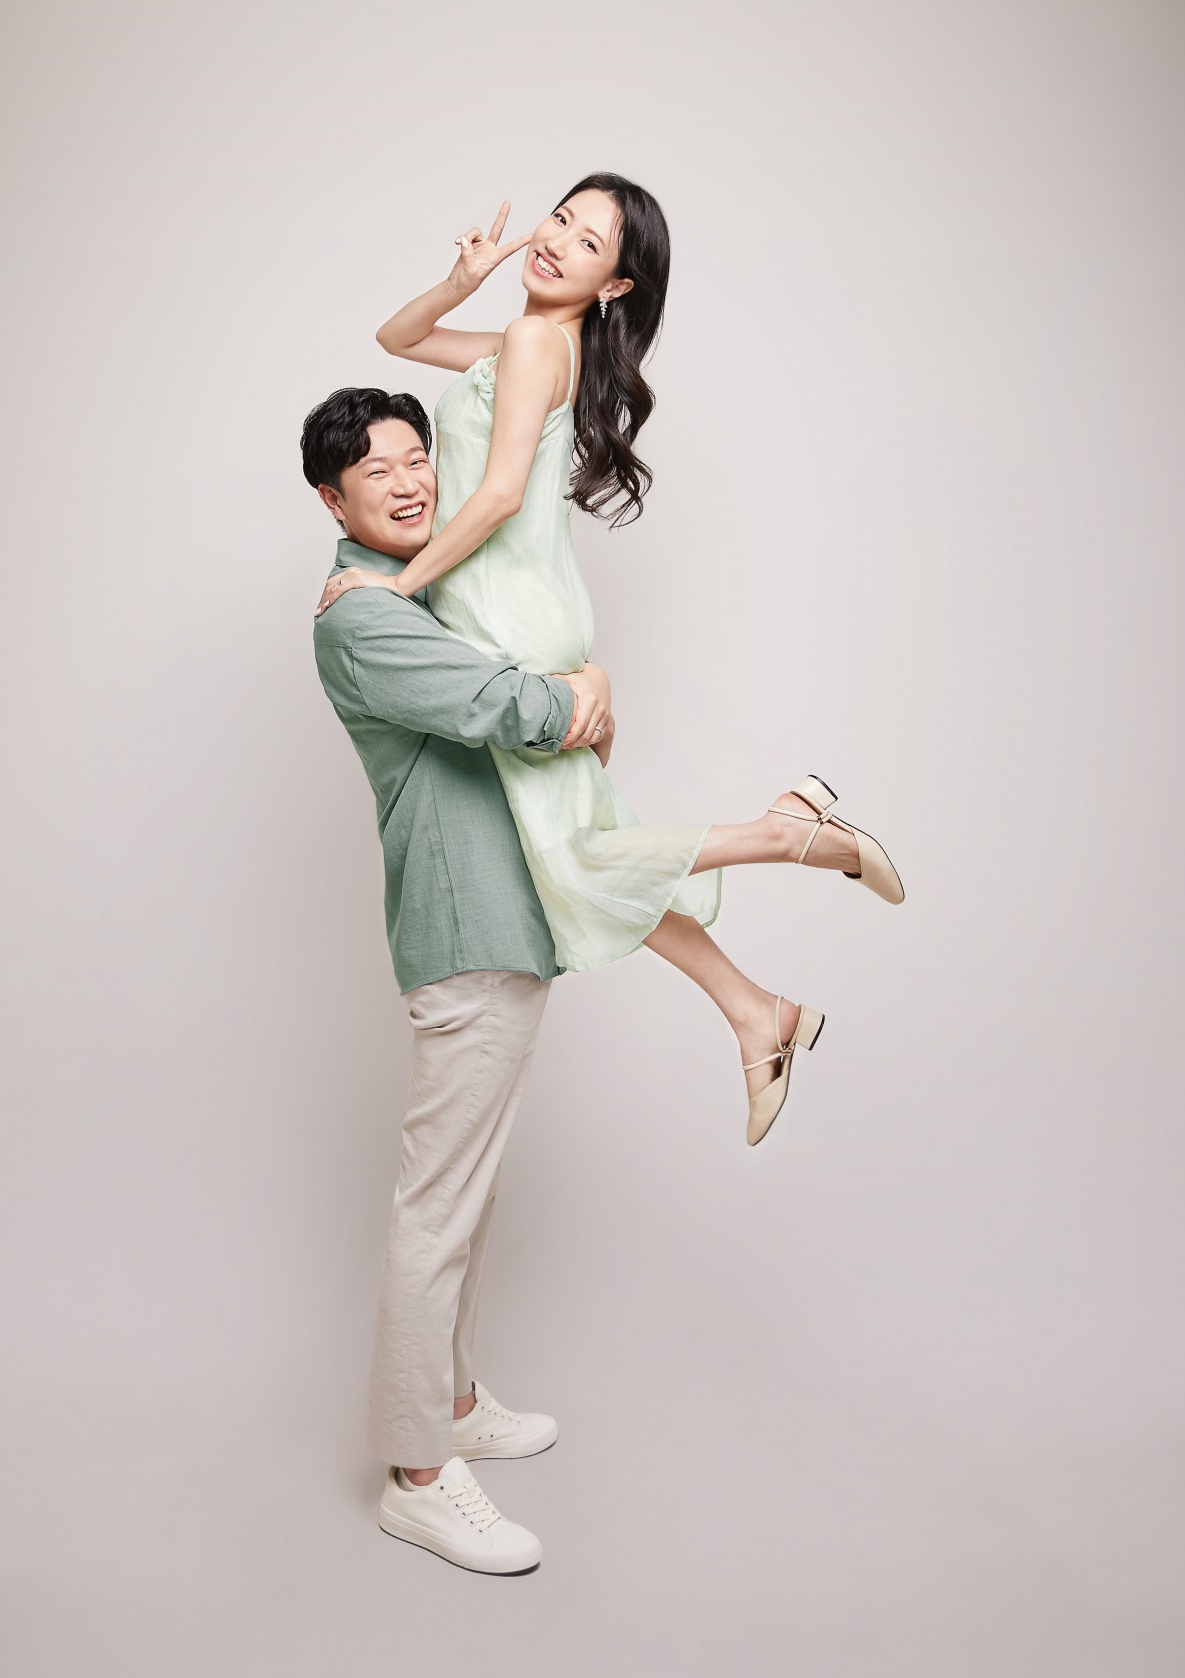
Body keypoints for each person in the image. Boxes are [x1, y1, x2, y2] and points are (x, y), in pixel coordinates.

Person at [317, 173, 905, 1150]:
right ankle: (757, 1012)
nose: (556, 242)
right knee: (581, 859)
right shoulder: (532, 340)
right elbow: (399, 338)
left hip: (507, 614)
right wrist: (463, 278)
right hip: (513, 608)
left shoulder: (538, 344)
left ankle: (789, 833)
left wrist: (395, 590)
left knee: (578, 857)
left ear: (616, 285)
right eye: (560, 219)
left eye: (589, 243)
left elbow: (499, 494)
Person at [305, 385, 614, 1576]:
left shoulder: (419, 589)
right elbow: (504, 704)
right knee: (436, 1211)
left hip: (505, 922)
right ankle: (418, 1475)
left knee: (467, 1200)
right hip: (463, 930)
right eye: (375, 471)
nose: (407, 480)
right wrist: (580, 694)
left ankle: (456, 1400)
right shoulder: (363, 617)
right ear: (331, 501)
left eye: (415, 457)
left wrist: (567, 684)